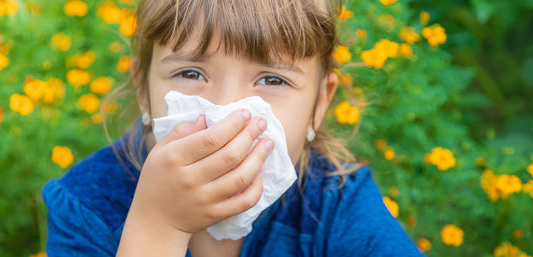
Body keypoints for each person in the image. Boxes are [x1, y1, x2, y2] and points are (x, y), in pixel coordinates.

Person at [42, 0, 426, 256]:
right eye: (190, 73)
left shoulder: (336, 205)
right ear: (144, 89)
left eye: (272, 80)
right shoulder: (87, 206)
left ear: (319, 105)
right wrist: (157, 225)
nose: (226, 112)